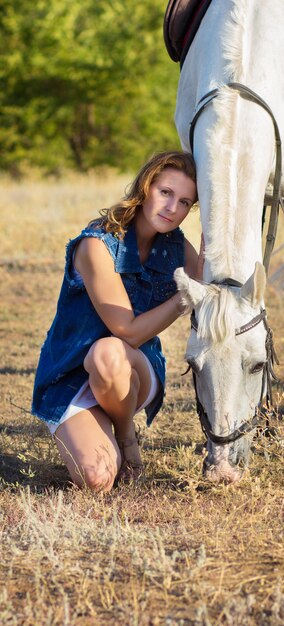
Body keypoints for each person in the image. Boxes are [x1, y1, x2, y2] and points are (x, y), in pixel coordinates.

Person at [32, 151, 203, 492]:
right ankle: (105, 430)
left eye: (185, 202)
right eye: (165, 193)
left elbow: (208, 284)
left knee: (108, 354)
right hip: (72, 375)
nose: (172, 208)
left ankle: (125, 434)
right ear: (146, 186)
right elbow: (125, 329)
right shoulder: (98, 245)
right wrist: (186, 295)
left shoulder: (177, 246)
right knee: (96, 479)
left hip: (131, 373)